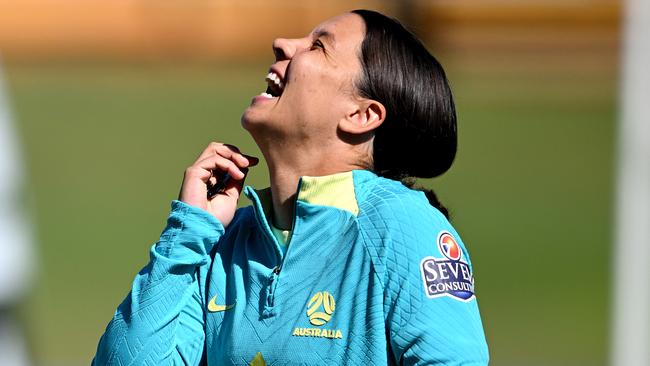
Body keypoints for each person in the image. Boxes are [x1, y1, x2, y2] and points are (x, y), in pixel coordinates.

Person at [93, 9, 489, 365]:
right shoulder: (219, 241)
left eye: (318, 46)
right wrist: (189, 231)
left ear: (361, 114)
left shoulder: (402, 226)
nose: (281, 43)